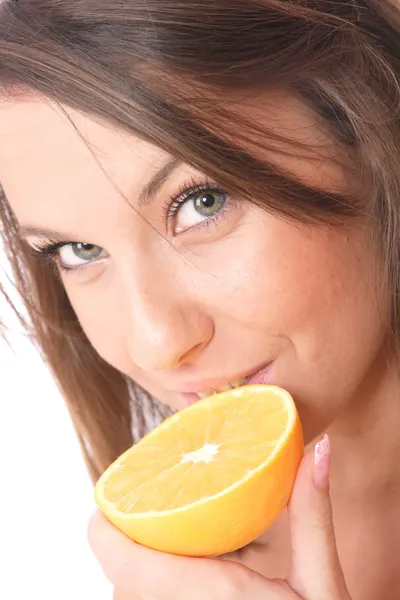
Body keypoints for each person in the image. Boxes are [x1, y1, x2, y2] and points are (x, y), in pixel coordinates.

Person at [0, 0, 399, 598]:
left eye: (202, 203)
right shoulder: (182, 567)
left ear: (367, 128)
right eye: (78, 250)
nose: (155, 342)